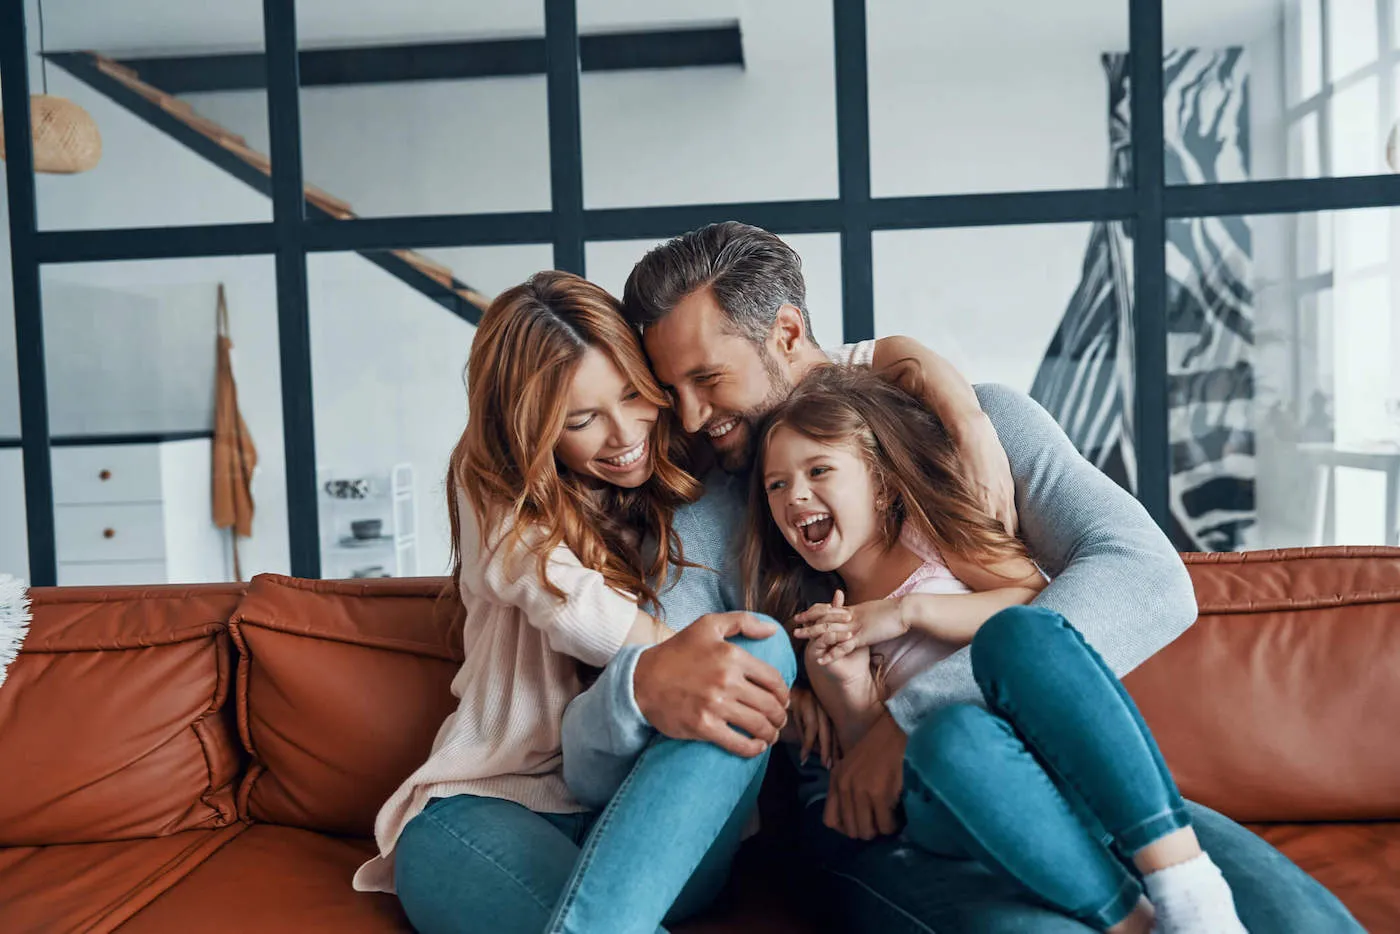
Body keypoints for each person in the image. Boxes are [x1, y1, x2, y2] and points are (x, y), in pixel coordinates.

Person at [561, 221, 1361, 932]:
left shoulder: (976, 427)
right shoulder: (705, 521)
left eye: (708, 379)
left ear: (788, 331)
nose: (692, 419)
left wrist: (909, 720)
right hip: (877, 827)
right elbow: (669, 692)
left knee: (1286, 916)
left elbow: (1150, 582)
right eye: (673, 392)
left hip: (1049, 768)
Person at [352, 271, 796, 934]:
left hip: (659, 823)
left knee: (758, 644)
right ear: (531, 431)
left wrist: (913, 362)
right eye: (582, 420)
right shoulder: (495, 487)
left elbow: (801, 370)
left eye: (633, 394)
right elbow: (571, 605)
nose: (623, 435)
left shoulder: (694, 452)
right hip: (493, 806)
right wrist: (661, 665)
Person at [745, 365, 1247, 934]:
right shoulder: (823, 627)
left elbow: (1036, 609)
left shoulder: (932, 542)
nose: (796, 495)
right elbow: (871, 769)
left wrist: (909, 611)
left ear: (881, 485)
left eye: (819, 470)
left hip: (1036, 765)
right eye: (776, 485)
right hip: (945, 801)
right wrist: (848, 685)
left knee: (1008, 666)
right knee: (952, 742)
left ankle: (1174, 900)